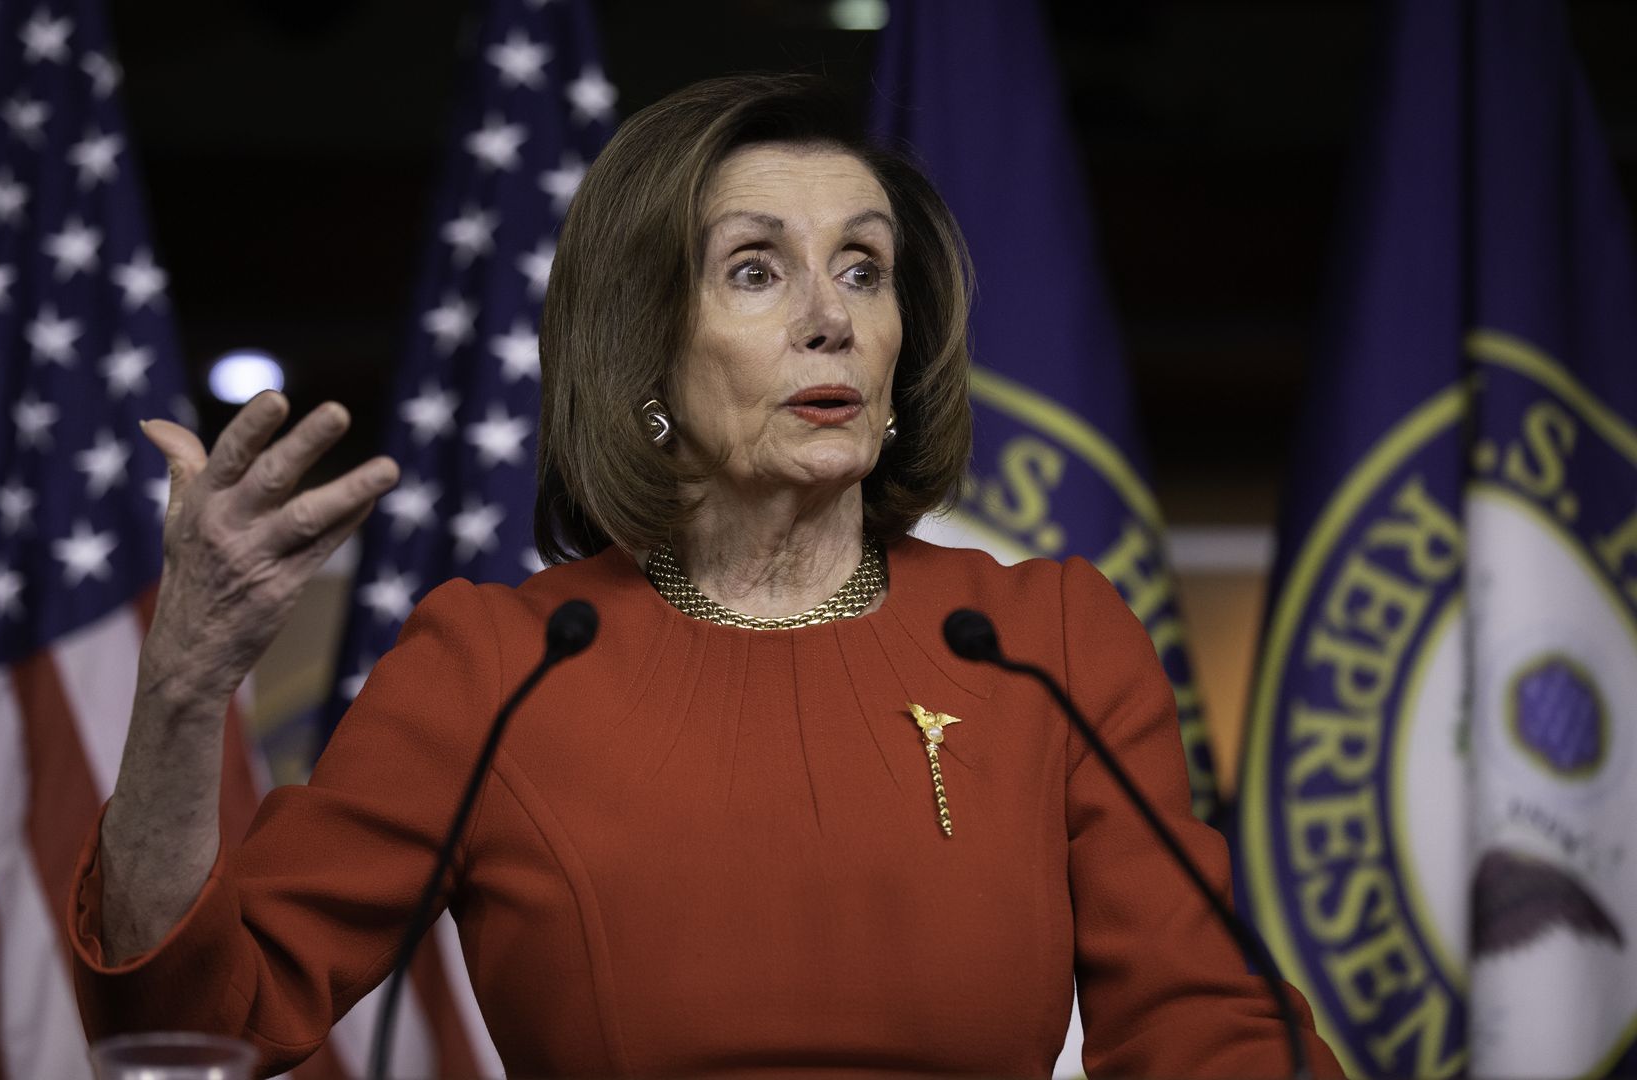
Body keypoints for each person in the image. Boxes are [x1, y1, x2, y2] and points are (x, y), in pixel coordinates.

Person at [71, 75, 1344, 1077]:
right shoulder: (499, 667)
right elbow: (196, 1021)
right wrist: (180, 689)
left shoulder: (1042, 638)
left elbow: (1206, 1027)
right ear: (645, 355)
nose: (831, 316)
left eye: (864, 268)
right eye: (755, 269)